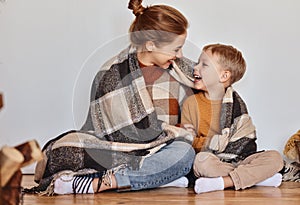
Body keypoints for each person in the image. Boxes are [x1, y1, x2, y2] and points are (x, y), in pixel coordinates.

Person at [25, 0, 196, 195]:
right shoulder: (111, 73)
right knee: (64, 150)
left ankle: (98, 184)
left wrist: (184, 130)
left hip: (165, 148)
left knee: (184, 154)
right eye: (176, 49)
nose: (181, 55)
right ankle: (158, 178)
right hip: (117, 147)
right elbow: (109, 132)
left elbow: (212, 97)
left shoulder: (183, 72)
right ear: (150, 44)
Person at [180, 43, 284, 194]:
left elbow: (242, 137)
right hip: (213, 159)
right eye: (197, 63)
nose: (195, 68)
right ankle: (256, 178)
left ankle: (224, 182)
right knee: (200, 161)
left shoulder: (236, 104)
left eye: (204, 65)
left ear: (224, 76)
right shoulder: (191, 103)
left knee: (275, 158)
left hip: (240, 157)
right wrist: (214, 143)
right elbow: (188, 139)